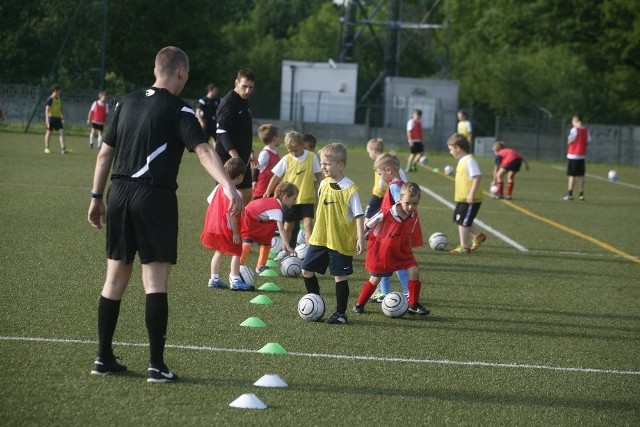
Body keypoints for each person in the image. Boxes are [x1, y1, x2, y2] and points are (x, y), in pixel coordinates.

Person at [87, 46, 242, 383]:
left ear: (156, 68)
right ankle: (156, 365)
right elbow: (202, 150)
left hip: (118, 194)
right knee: (154, 282)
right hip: (153, 197)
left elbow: (104, 155)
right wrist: (229, 187)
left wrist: (96, 198)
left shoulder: (125, 101)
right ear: (181, 72)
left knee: (114, 278)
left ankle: (102, 358)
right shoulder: (179, 107)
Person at [301, 143, 365, 325]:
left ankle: (340, 314)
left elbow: (359, 215)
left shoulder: (350, 189)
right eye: (322, 163)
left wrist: (360, 237)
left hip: (340, 240)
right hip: (320, 237)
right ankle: (315, 302)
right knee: (306, 270)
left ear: (341, 165)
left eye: (327, 164)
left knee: (339, 276)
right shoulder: (322, 184)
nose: (323, 167)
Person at [353, 182, 429, 315]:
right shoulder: (386, 212)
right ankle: (360, 303)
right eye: (407, 203)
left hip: (401, 250)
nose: (411, 207)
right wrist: (360, 238)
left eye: (415, 204)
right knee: (375, 279)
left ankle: (413, 304)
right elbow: (368, 224)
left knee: (414, 271)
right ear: (400, 199)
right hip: (382, 252)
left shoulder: (413, 215)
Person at [264, 131, 323, 252]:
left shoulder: (312, 157)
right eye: (290, 151)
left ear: (302, 145)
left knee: (308, 223)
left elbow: (318, 175)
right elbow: (276, 176)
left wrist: (324, 189)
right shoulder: (287, 159)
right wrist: (268, 191)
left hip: (307, 198)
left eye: (295, 150)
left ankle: (308, 251)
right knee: (288, 225)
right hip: (289, 200)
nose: (293, 153)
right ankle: (285, 250)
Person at [201, 158, 254, 291]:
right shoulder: (237, 194)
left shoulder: (218, 187)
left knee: (218, 252)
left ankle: (214, 279)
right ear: (240, 176)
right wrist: (236, 233)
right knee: (236, 252)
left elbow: (210, 202)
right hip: (229, 229)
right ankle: (235, 279)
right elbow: (233, 214)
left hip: (215, 227)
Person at [216, 69, 257, 206]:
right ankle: (218, 225)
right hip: (229, 159)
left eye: (250, 87)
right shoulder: (229, 102)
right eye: (244, 86)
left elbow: (243, 131)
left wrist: (250, 153)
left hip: (243, 159)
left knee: (246, 194)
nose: (247, 91)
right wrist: (234, 155)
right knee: (225, 196)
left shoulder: (244, 101)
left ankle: (236, 226)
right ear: (236, 82)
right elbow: (221, 131)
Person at [240, 181, 298, 274]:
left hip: (258, 220)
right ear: (285, 197)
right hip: (248, 217)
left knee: (266, 242)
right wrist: (288, 246)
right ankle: (239, 265)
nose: (295, 202)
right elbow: (281, 229)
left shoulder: (275, 204)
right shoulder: (276, 209)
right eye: (294, 199)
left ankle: (260, 266)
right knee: (247, 244)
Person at [447, 133, 486, 253]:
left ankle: (463, 246)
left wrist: (471, 194)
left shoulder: (470, 160)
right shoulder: (462, 160)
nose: (450, 152)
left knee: (463, 221)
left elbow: (477, 177)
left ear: (457, 148)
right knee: (459, 219)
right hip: (462, 198)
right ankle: (478, 236)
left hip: (470, 198)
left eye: (450, 149)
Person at [563, 114, 590, 201]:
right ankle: (581, 194)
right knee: (581, 175)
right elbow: (588, 141)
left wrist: (569, 142)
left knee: (571, 175)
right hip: (581, 156)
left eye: (573, 121)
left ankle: (570, 194)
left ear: (576, 121)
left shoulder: (574, 130)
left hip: (573, 155)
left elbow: (570, 140)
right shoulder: (586, 130)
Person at [252, 123, 280, 199]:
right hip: (262, 192)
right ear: (274, 138)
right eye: (278, 137)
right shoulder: (265, 153)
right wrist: (254, 180)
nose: (279, 139)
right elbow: (257, 167)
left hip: (272, 191)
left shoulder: (275, 152)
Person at [44, 84, 69, 154]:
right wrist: (47, 120)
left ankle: (63, 148)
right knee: (49, 132)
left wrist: (62, 116)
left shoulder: (58, 98)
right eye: (59, 91)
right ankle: (47, 147)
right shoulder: (50, 99)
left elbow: (60, 108)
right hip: (51, 118)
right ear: (55, 91)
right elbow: (47, 109)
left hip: (58, 118)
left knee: (62, 132)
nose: (60, 92)